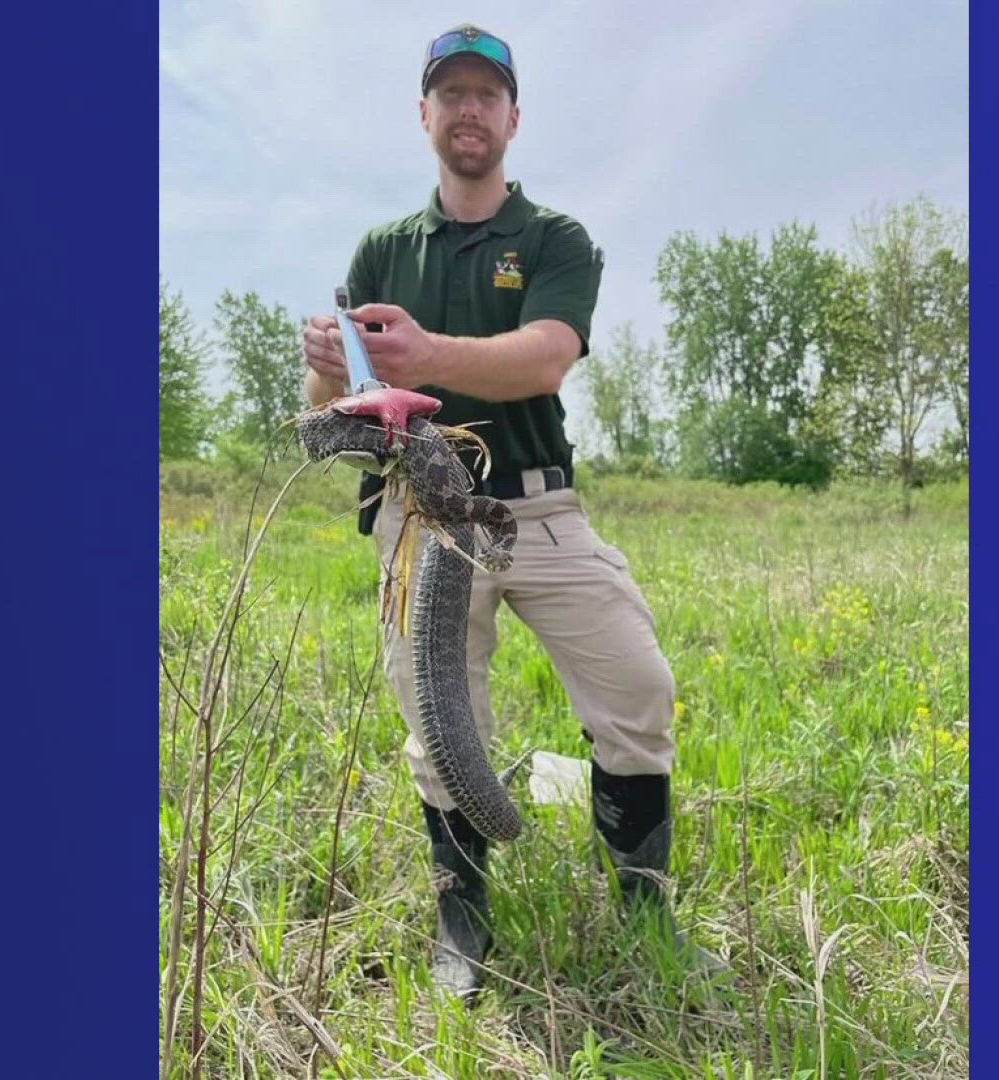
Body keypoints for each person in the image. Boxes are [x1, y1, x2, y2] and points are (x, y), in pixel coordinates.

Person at [299, 23, 718, 996]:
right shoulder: (382, 251)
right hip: (420, 518)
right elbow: (341, 413)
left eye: (487, 94)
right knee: (443, 725)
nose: (469, 109)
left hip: (538, 508)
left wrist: (424, 355)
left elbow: (546, 356)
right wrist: (328, 375)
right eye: (451, 93)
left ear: (514, 117)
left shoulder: (554, 241)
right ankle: (464, 927)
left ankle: (647, 909)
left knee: (638, 685)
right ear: (425, 116)